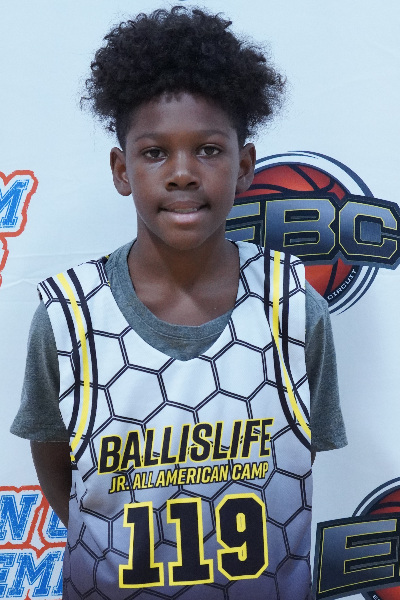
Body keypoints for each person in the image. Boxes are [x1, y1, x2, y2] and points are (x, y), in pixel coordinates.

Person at [11, 7, 347, 599]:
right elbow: (57, 464)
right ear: (122, 170)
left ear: (245, 167)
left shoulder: (294, 308)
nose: (183, 173)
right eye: (154, 153)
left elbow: (301, 458)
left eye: (209, 150)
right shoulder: (68, 317)